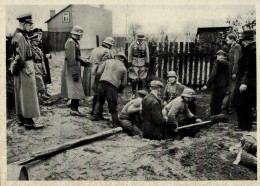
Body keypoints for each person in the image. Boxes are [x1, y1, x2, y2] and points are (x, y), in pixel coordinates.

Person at [11, 13, 43, 129]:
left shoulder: (18, 35)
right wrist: (17, 68)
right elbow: (20, 57)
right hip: (24, 68)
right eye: (29, 24)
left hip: (20, 68)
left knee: (21, 94)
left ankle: (21, 119)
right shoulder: (20, 36)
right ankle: (29, 121)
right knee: (28, 95)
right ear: (24, 23)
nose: (31, 27)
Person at [90, 52, 128, 127]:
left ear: (115, 56)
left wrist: (101, 79)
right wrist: (119, 90)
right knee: (113, 104)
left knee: (99, 100)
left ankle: (95, 116)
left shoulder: (107, 61)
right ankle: (114, 122)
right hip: (112, 86)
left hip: (102, 82)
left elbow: (98, 72)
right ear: (123, 59)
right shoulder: (123, 68)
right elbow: (124, 83)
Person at [60, 26, 91, 116]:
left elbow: (77, 57)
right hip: (71, 68)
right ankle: (74, 109)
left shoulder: (74, 42)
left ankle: (74, 108)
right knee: (75, 88)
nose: (81, 36)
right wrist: (74, 73)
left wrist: (85, 63)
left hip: (74, 66)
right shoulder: (71, 42)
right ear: (77, 34)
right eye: (81, 35)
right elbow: (71, 58)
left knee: (76, 88)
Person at [82, 37, 114, 116]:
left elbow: (88, 59)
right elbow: (105, 64)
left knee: (96, 93)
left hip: (91, 72)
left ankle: (94, 111)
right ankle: (97, 113)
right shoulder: (107, 51)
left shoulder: (95, 49)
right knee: (100, 93)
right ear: (109, 45)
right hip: (98, 73)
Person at [232, 30, 256, 131]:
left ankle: (245, 127)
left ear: (250, 40)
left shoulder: (253, 50)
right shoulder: (247, 48)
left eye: (245, 40)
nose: (243, 42)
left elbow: (249, 68)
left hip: (247, 82)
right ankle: (243, 126)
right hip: (242, 79)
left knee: (244, 104)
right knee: (241, 103)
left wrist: (244, 83)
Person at [202, 50, 230, 116]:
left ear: (220, 56)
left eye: (217, 55)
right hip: (224, 86)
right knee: (219, 103)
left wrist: (207, 85)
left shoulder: (218, 62)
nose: (217, 57)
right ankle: (217, 120)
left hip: (217, 86)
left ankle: (213, 120)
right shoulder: (228, 63)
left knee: (213, 104)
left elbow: (213, 75)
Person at [222, 33, 241, 113]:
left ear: (232, 39)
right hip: (230, 71)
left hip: (233, 72)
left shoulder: (237, 46)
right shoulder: (232, 47)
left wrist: (234, 72)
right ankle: (226, 106)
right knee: (229, 89)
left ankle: (231, 107)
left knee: (232, 90)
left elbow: (237, 61)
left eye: (227, 40)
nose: (226, 41)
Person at [30, 35, 49, 100]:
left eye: (38, 41)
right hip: (34, 64)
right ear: (32, 41)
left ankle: (41, 94)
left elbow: (42, 60)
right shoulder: (30, 49)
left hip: (40, 64)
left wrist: (44, 70)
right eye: (36, 41)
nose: (38, 42)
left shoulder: (39, 49)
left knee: (41, 78)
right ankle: (42, 94)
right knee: (38, 79)